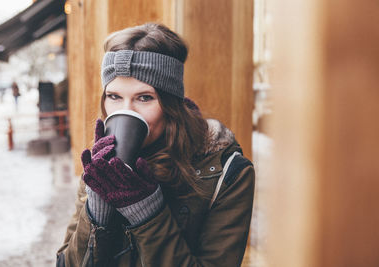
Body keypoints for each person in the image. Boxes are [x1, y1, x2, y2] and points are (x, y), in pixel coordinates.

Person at [57, 22, 255, 267]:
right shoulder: (102, 164)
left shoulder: (228, 173)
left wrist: (147, 212)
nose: (125, 111)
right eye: (114, 96)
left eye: (144, 97)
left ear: (171, 105)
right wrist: (98, 209)